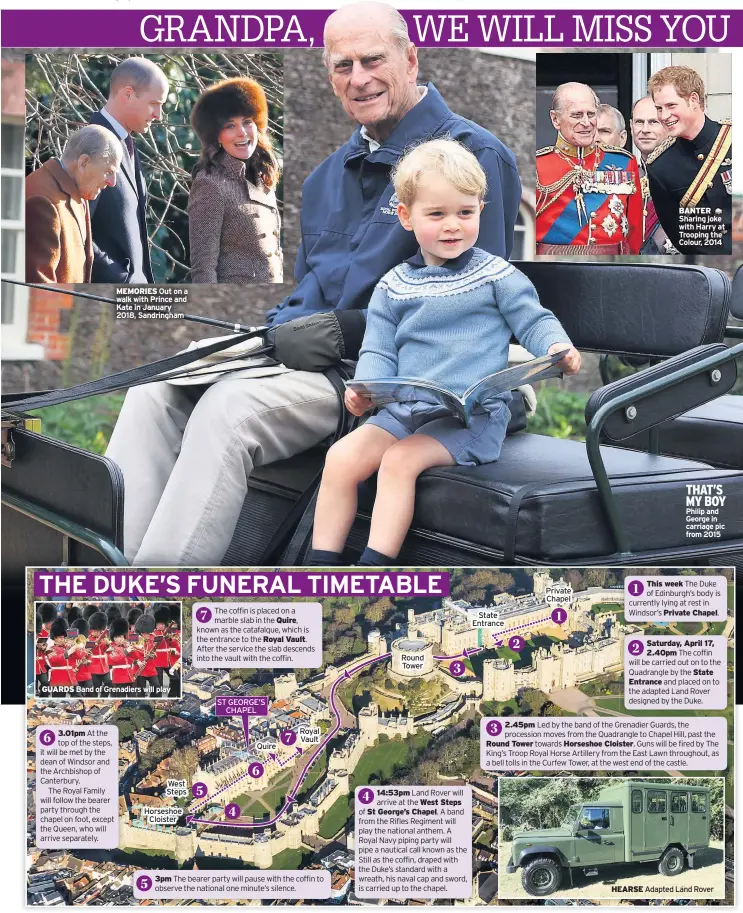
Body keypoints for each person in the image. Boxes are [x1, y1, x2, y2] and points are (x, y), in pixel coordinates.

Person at [106, 1, 522, 567]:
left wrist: (346, 333)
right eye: (342, 65)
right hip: (303, 358)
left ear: (410, 59)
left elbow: (476, 308)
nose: (359, 78)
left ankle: (163, 604)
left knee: (228, 409)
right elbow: (309, 290)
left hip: (381, 383)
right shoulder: (328, 175)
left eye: (373, 59)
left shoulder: (474, 156)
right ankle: (112, 578)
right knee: (157, 387)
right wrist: (272, 334)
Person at [310, 139, 581, 566]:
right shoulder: (393, 285)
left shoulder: (496, 276)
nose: (452, 225)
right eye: (436, 214)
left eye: (465, 212)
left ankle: (372, 570)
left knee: (399, 461)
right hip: (404, 411)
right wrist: (364, 390)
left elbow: (533, 320)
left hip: (471, 417)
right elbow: (378, 351)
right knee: (341, 457)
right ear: (406, 216)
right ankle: (318, 568)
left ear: (480, 211)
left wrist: (556, 346)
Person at [188, 77, 282, 284]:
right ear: (216, 136)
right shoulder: (209, 184)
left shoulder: (264, 176)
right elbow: (203, 270)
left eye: (247, 122)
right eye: (230, 125)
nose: (241, 133)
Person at [536, 82, 643, 254]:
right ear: (555, 119)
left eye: (591, 114)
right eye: (577, 115)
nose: (586, 123)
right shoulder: (539, 165)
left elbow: (635, 233)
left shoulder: (623, 162)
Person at [89, 57, 169, 282]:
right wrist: (121, 278)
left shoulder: (128, 145)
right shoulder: (93, 143)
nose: (158, 115)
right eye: (154, 104)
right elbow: (77, 228)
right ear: (127, 94)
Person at [646, 66, 732, 255]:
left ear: (693, 100)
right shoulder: (660, 167)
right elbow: (685, 241)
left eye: (671, 106)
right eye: (659, 108)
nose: (663, 116)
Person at [25, 125, 121, 283]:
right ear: (83, 163)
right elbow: (39, 290)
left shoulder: (77, 192)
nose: (112, 182)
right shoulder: (42, 201)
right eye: (108, 171)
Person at [629, 96, 675, 255]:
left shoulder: (692, 176)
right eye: (639, 122)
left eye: (654, 122)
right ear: (631, 126)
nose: (645, 129)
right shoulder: (625, 177)